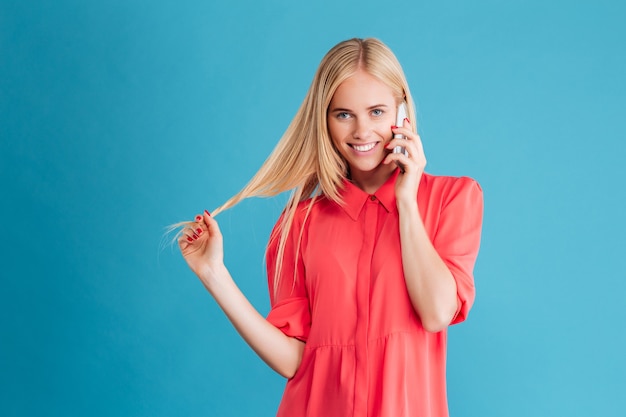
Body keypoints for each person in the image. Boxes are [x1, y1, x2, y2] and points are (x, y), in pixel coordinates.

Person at [178, 37, 483, 417]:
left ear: (402, 110)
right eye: (343, 114)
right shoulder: (299, 222)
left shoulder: (453, 199)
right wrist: (213, 274)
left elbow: (437, 313)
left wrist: (407, 199)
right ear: (324, 119)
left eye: (376, 112)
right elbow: (293, 360)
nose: (361, 131)